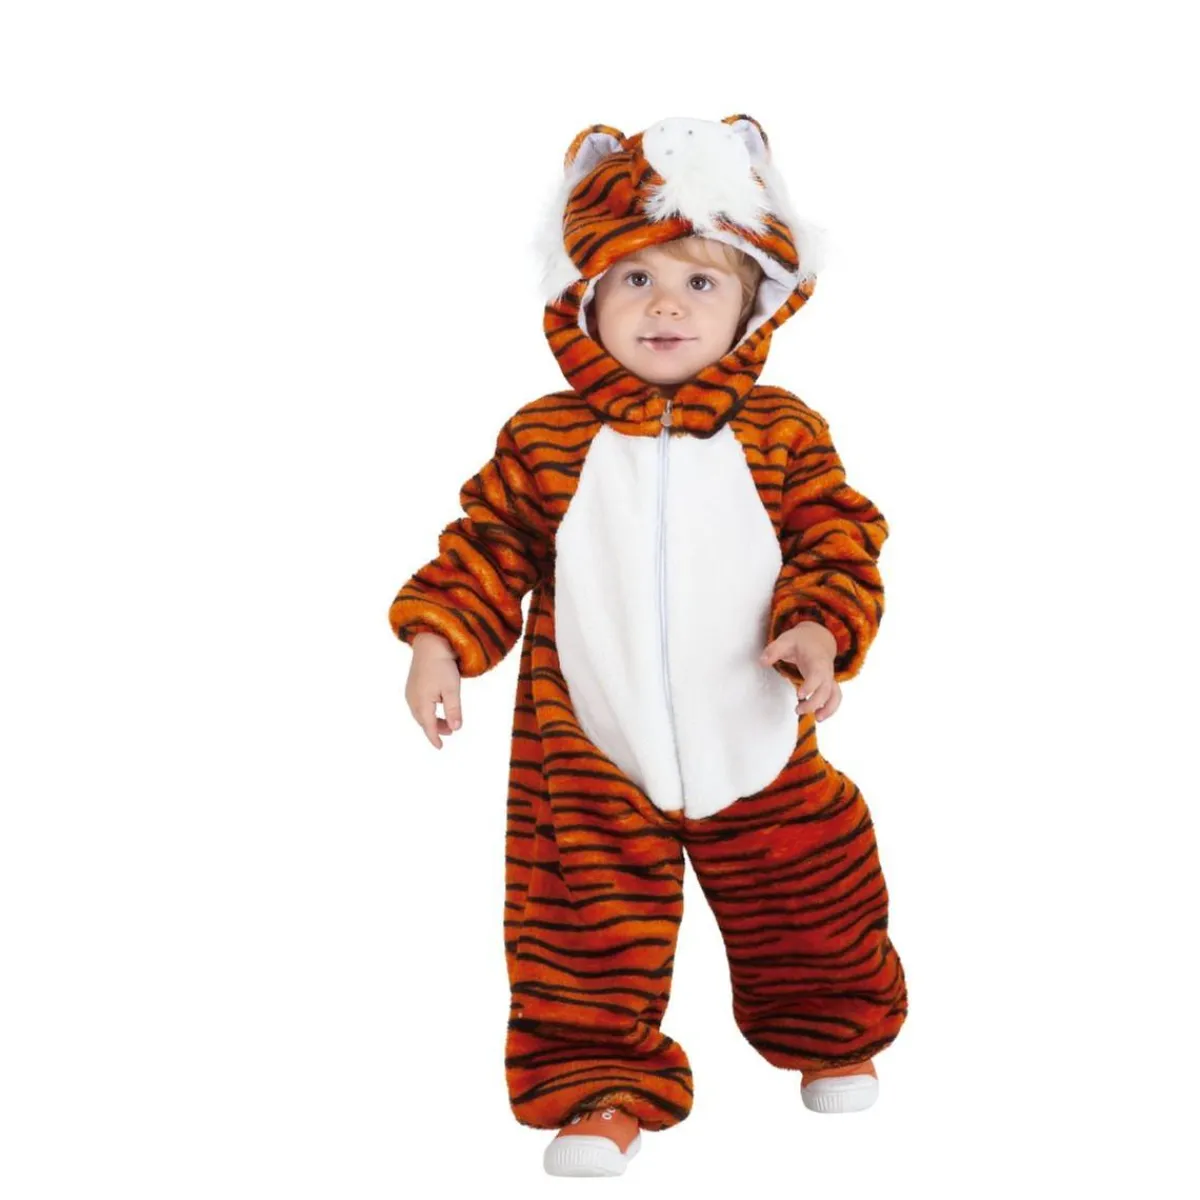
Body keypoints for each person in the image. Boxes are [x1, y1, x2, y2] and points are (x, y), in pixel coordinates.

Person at [388, 114, 907, 1178]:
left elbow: (837, 537)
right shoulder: (546, 438)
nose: (665, 305)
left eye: (699, 282)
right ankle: (599, 1087)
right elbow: (488, 540)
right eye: (634, 279)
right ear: (583, 298)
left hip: (755, 729)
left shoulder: (781, 431)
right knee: (576, 927)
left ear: (756, 302)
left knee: (809, 889)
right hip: (588, 746)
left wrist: (820, 627)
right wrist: (439, 638)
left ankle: (830, 1029)